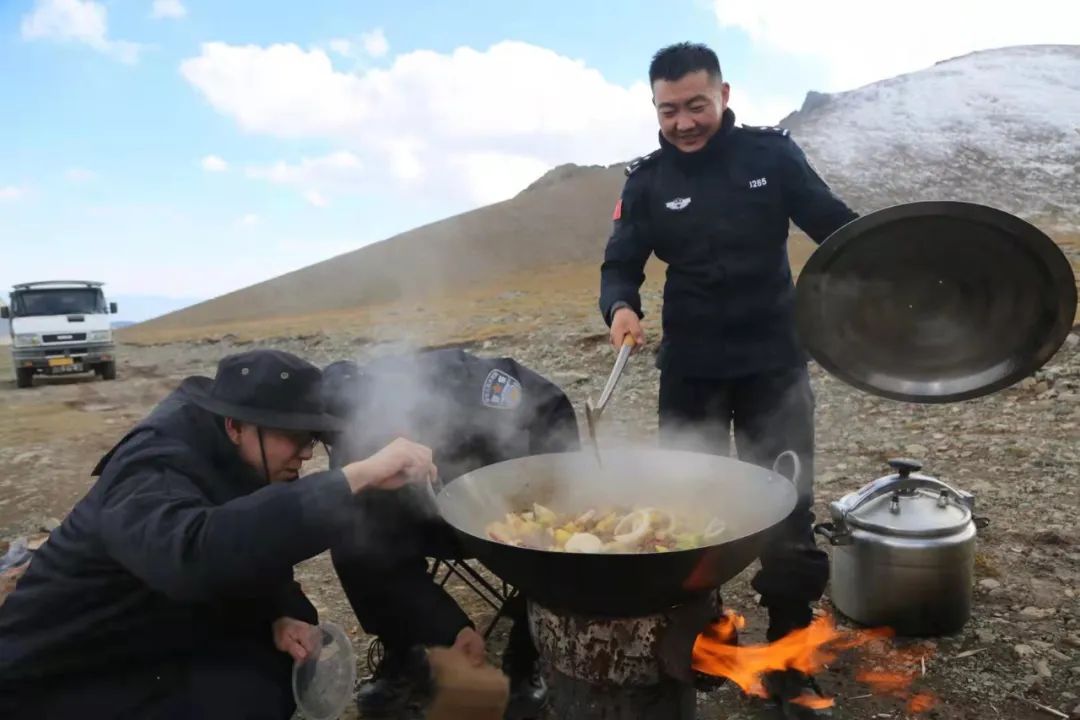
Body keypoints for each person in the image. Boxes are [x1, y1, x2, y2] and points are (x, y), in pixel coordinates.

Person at [598, 42, 859, 718]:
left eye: (695, 105)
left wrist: (895, 256)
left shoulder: (770, 157)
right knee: (691, 512)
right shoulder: (647, 180)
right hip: (690, 373)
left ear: (723, 94)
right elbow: (619, 264)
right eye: (667, 110)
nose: (682, 122)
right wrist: (621, 306)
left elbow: (833, 225)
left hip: (774, 364)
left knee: (787, 510)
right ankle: (706, 645)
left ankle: (790, 661)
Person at [0, 349, 440, 720]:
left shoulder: (237, 458)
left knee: (271, 672)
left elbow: (255, 547)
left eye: (313, 439)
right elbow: (195, 554)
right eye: (294, 437)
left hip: (148, 637)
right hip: (59, 669)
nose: (306, 454)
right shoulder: (152, 470)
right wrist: (351, 478)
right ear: (235, 426)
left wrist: (282, 612)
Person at [320, 349, 580, 720]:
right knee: (352, 534)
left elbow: (551, 405)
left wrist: (545, 488)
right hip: (419, 518)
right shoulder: (348, 429)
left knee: (550, 538)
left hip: (494, 511)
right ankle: (405, 648)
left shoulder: (469, 386)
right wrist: (446, 627)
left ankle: (526, 658)